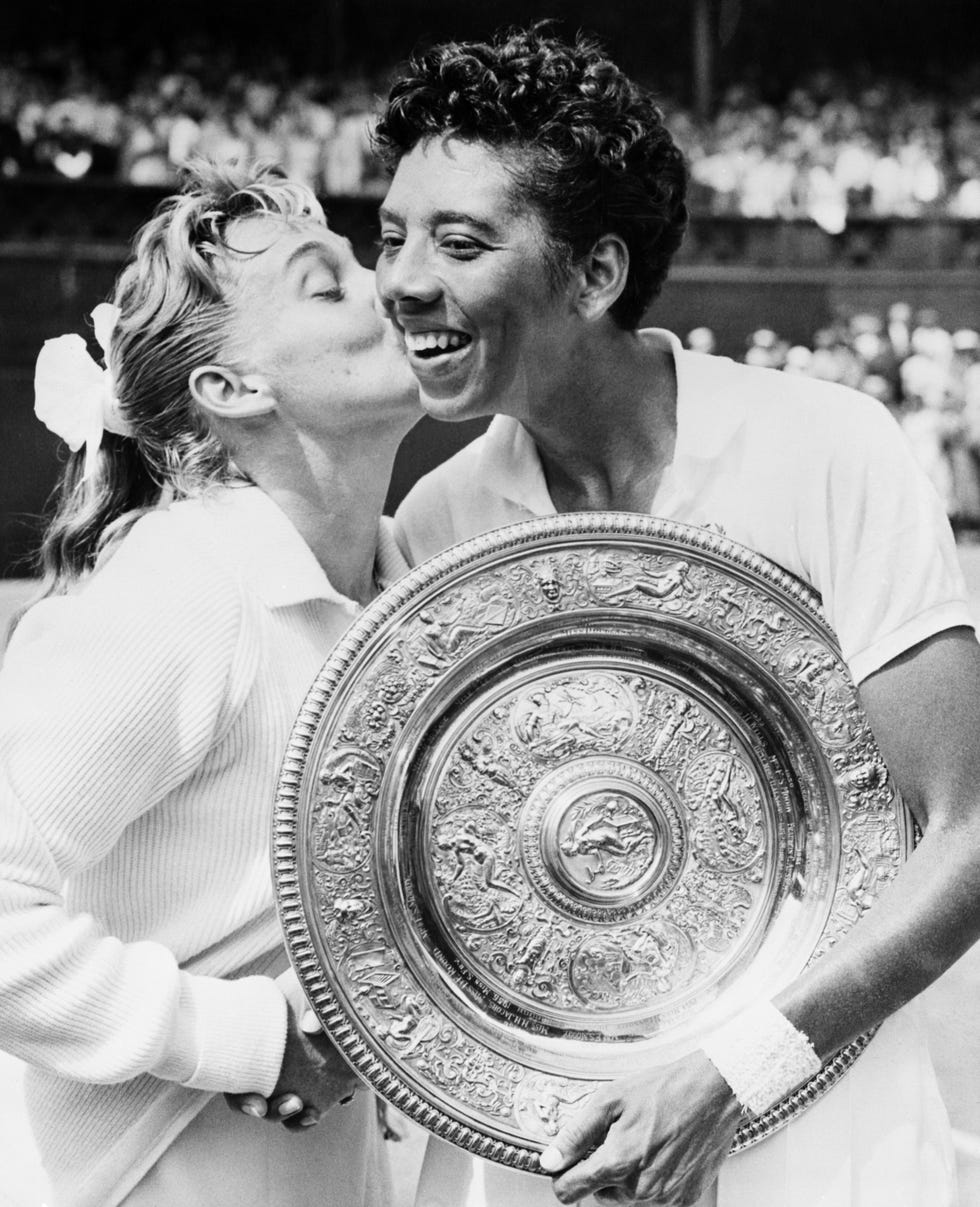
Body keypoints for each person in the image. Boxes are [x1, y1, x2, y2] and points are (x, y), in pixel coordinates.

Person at [372, 25, 980, 1207]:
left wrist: (730, 1070)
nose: (399, 279)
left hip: (829, 1140)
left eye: (459, 242)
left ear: (593, 275)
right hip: (559, 1160)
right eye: (389, 236)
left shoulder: (829, 448)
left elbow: (964, 835)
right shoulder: (440, 523)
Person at [0, 160, 419, 1206]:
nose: (391, 287)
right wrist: (240, 1035)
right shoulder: (181, 583)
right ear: (232, 390)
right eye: (330, 285)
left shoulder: (405, 582)